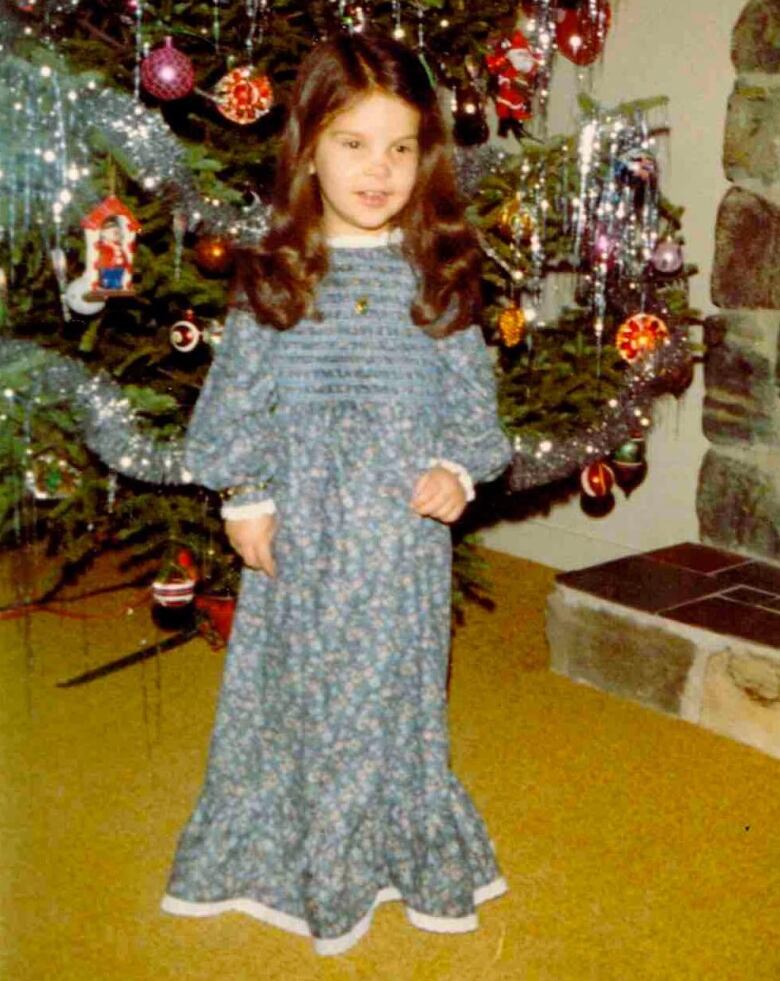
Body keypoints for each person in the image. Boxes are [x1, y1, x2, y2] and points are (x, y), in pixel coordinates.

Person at [160, 31, 513, 957]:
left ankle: (395, 846)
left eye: (400, 147)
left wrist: (457, 468)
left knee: (392, 702)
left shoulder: (438, 274)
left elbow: (473, 414)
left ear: (426, 156)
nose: (379, 169)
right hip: (305, 542)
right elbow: (236, 405)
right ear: (308, 146)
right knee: (297, 697)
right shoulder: (276, 275)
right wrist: (247, 495)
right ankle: (290, 848)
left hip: (399, 552)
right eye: (354, 143)